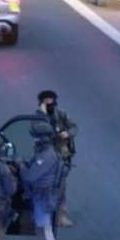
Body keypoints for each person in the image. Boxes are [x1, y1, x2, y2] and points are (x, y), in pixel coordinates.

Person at [20, 121, 63, 240]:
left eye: (36, 138)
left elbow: (30, 176)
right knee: (41, 233)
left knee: (46, 235)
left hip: (43, 198)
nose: (34, 140)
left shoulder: (47, 156)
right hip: (39, 196)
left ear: (43, 139)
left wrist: (21, 167)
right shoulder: (42, 153)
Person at [36, 90, 78, 228]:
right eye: (46, 102)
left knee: (61, 186)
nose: (49, 104)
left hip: (61, 156)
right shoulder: (38, 117)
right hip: (45, 157)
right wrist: (42, 114)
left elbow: (74, 127)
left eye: (51, 101)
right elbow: (37, 132)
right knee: (43, 185)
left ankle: (61, 216)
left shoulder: (61, 114)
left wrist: (67, 133)